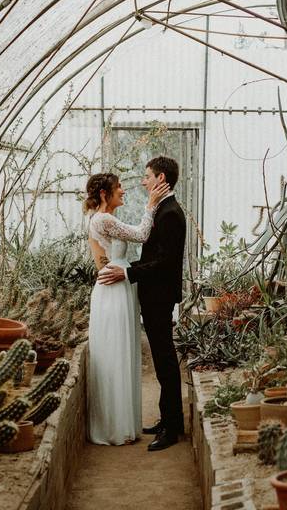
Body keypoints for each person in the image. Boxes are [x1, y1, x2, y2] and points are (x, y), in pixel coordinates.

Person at [98, 156, 187, 452]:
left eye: (147, 176)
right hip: (153, 294)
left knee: (165, 360)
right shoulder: (163, 209)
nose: (143, 181)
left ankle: (173, 428)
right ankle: (167, 419)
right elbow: (154, 256)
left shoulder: (171, 213)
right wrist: (131, 267)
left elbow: (164, 262)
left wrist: (128, 271)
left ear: (161, 179)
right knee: (163, 360)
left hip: (160, 296)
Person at [84, 172, 168, 446]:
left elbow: (103, 257)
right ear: (105, 194)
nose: (124, 190)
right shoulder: (104, 219)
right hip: (115, 290)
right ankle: (115, 427)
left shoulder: (98, 219)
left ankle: (117, 423)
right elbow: (142, 235)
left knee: (116, 352)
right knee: (116, 353)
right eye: (118, 187)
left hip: (118, 286)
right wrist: (151, 205)